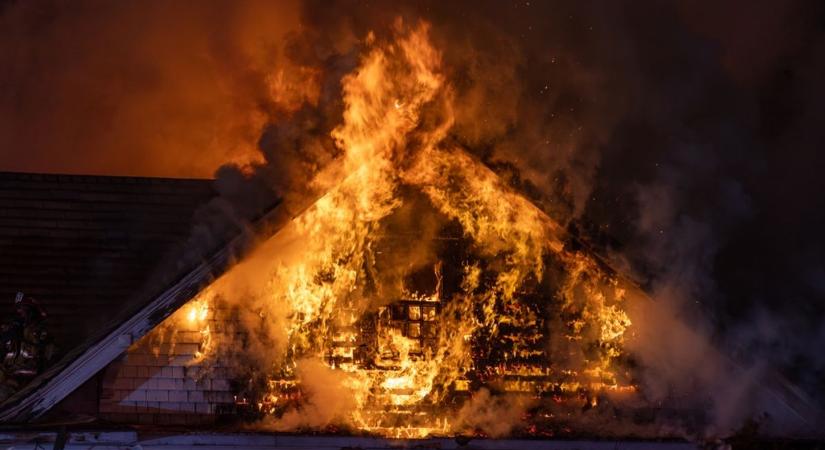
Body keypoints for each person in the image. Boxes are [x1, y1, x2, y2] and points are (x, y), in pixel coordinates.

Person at [0, 292, 56, 402]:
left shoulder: (41, 334)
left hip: (25, 386)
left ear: (32, 311)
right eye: (18, 308)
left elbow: (43, 366)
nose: (19, 312)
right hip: (7, 379)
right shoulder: (11, 330)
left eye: (23, 309)